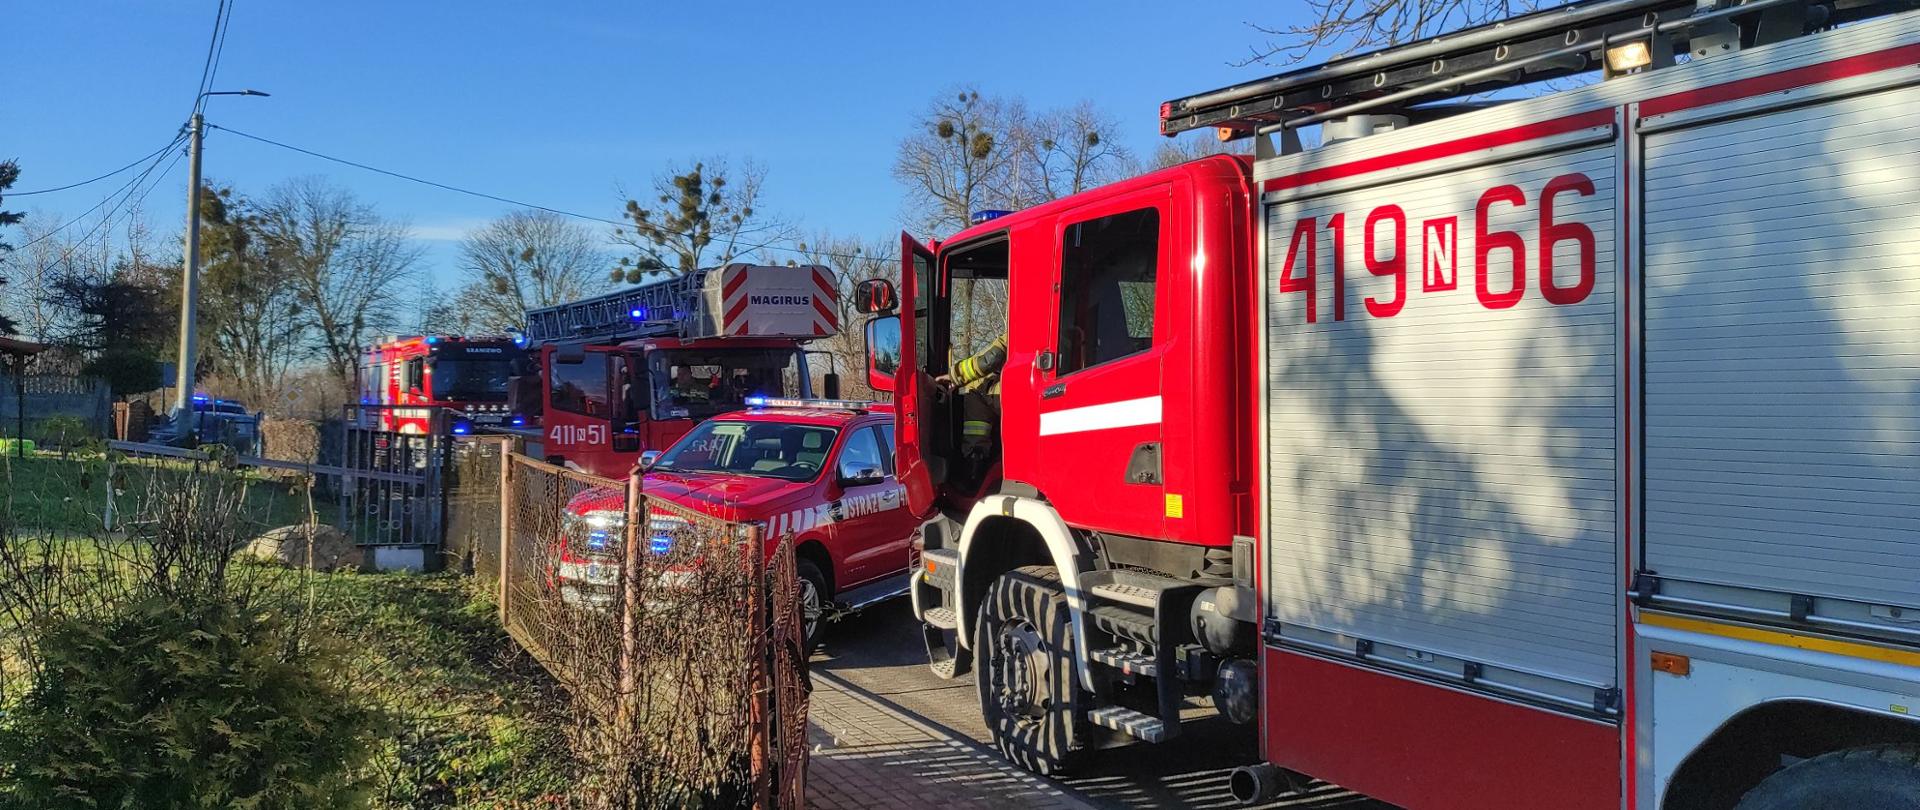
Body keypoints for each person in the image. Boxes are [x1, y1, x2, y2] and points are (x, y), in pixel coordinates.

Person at [938, 332, 1008, 465]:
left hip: (1029, 389)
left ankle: (975, 458)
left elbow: (992, 358)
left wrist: (955, 375)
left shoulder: (1026, 322)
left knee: (976, 388)